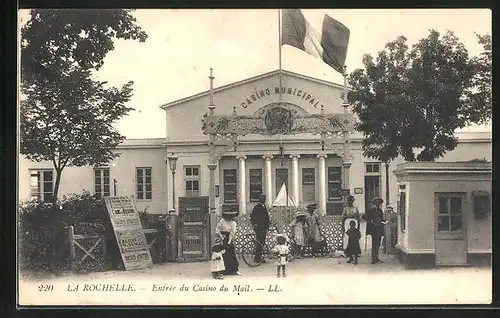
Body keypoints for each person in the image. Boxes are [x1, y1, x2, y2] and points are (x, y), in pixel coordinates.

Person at [363, 197, 388, 264]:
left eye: (379, 203)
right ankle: (373, 258)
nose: (378, 204)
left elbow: (381, 219)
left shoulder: (380, 211)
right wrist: (370, 220)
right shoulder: (371, 211)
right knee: (374, 244)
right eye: (376, 203)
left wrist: (384, 222)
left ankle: (376, 258)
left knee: (378, 244)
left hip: (379, 228)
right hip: (374, 229)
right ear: (374, 204)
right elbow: (364, 216)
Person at [216, 210, 241, 275]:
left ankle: (233, 270)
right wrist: (222, 238)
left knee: (231, 253)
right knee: (222, 253)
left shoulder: (233, 223)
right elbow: (217, 230)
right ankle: (222, 270)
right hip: (222, 238)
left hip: (228, 238)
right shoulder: (222, 221)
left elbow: (232, 233)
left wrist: (229, 242)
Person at [250, 194, 270, 263]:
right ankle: (257, 259)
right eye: (262, 198)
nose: (264, 200)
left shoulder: (264, 206)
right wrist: (255, 225)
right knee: (259, 243)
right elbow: (252, 217)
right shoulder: (257, 207)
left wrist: (268, 225)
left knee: (262, 243)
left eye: (264, 198)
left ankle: (259, 257)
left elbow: (266, 217)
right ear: (260, 199)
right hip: (259, 228)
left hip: (264, 227)